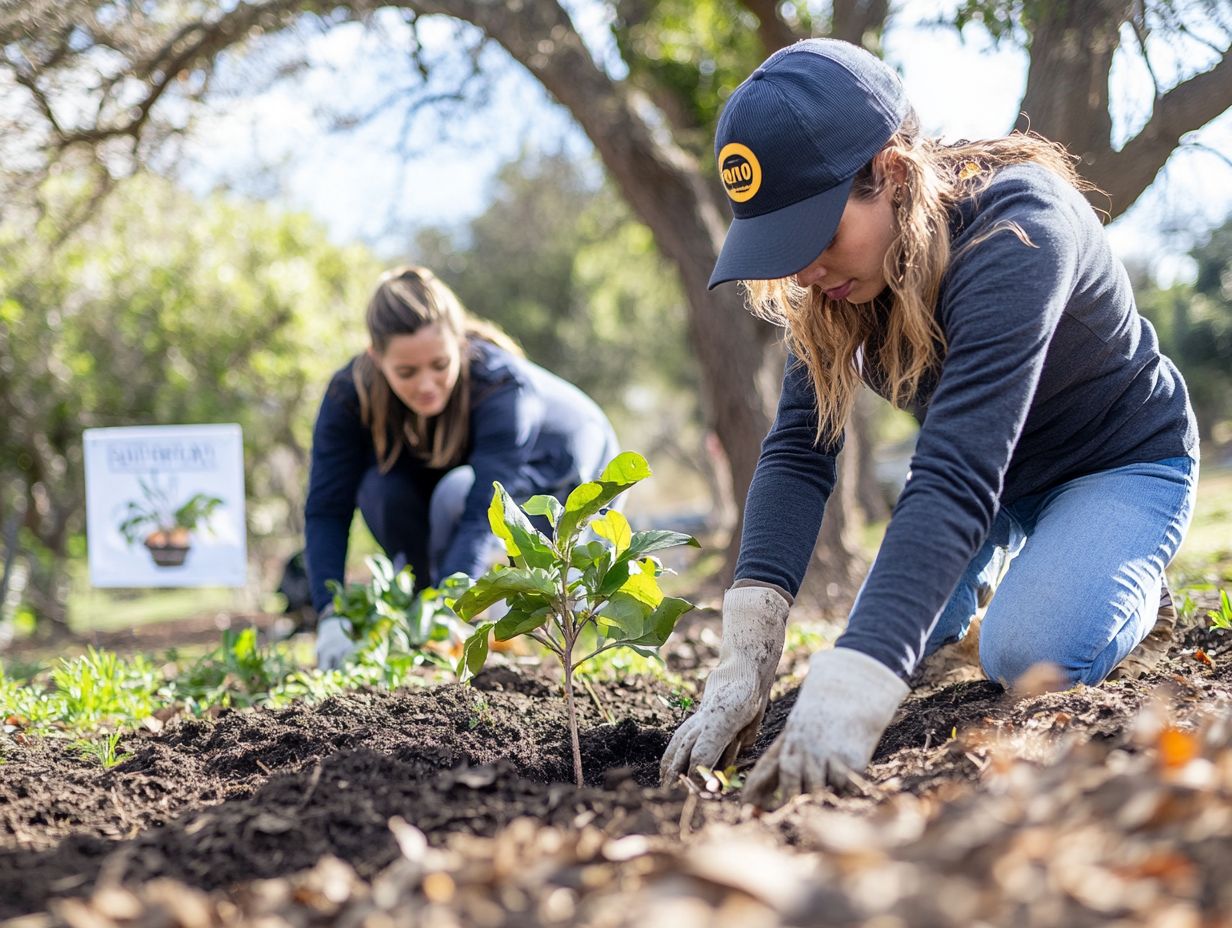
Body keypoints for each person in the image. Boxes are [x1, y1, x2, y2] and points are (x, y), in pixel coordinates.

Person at [661, 39, 1199, 806]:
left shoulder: (1018, 230)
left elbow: (953, 473)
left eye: (814, 236)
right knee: (890, 642)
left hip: (1118, 464)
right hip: (992, 486)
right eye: (783, 248)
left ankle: (1131, 585)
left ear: (891, 172)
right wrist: (746, 656)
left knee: (1027, 653)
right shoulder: (843, 288)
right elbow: (796, 453)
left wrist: (850, 697)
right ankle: (1050, 567)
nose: (806, 270)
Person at [307, 266, 619, 669]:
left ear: (460, 342)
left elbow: (482, 512)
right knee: (380, 489)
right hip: (480, 487)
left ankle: (468, 625)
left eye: (440, 365)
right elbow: (326, 508)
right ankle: (431, 623)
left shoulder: (501, 386)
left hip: (573, 473)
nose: (425, 384)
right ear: (375, 357)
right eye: (406, 372)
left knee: (460, 494)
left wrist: (454, 610)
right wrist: (329, 614)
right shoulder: (349, 394)